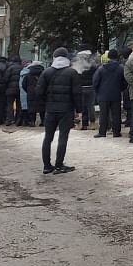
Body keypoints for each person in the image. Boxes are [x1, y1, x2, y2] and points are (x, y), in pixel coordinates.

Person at [36, 47, 84, 175]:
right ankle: (59, 164)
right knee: (63, 137)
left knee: (48, 137)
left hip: (50, 110)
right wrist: (79, 109)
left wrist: (46, 103)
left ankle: (46, 165)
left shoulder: (46, 72)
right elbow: (77, 93)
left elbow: (38, 92)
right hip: (66, 110)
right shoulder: (72, 73)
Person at [93, 50, 126, 138]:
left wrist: (97, 91)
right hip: (116, 94)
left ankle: (102, 132)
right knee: (116, 114)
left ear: (108, 57)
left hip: (103, 94)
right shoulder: (121, 68)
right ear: (117, 57)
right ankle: (116, 132)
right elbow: (125, 82)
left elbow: (95, 81)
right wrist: (121, 89)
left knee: (103, 114)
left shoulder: (101, 68)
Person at [21, 60, 44, 127]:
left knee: (31, 108)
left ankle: (32, 121)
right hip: (41, 92)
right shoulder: (43, 74)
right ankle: (43, 121)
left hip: (31, 93)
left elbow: (23, 85)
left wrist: (28, 91)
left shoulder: (28, 75)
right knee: (42, 108)